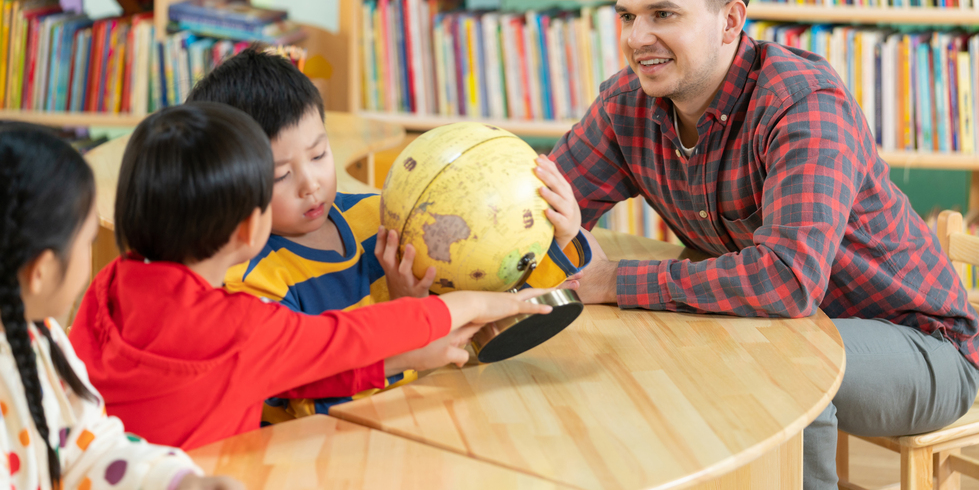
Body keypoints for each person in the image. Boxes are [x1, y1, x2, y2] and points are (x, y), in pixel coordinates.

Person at [552, 0, 979, 489]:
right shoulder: (627, 105)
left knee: (781, 368)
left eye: (664, 14)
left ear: (731, 21)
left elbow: (787, 281)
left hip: (921, 347)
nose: (636, 37)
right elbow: (540, 202)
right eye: (627, 16)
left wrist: (614, 281)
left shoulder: (802, 105)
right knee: (664, 354)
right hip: (783, 327)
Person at [69, 103, 555, 450]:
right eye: (272, 181)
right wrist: (475, 305)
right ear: (248, 227)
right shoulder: (241, 327)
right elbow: (345, 337)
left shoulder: (108, 283)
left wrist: (403, 358)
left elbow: (288, 372)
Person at [185, 49, 589, 419]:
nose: (310, 184)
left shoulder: (381, 214)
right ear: (229, 183)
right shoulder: (250, 284)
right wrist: (407, 321)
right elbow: (306, 405)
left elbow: (488, 314)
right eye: (281, 175)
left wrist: (559, 239)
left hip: (435, 415)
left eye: (319, 155)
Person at [0, 125, 241, 490]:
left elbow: (89, 449)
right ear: (42, 272)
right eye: (88, 242)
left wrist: (177, 482)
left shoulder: (41, 336)